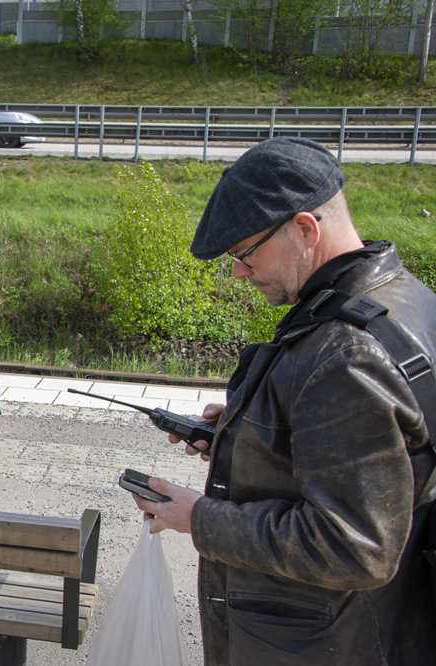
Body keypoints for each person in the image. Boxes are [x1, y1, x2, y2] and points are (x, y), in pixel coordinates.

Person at [134, 137, 436, 665]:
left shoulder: (346, 353)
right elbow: (381, 455)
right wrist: (248, 432)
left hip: (325, 644)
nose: (239, 272)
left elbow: (354, 545)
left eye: (245, 253)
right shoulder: (403, 297)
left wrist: (199, 517)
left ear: (305, 229)